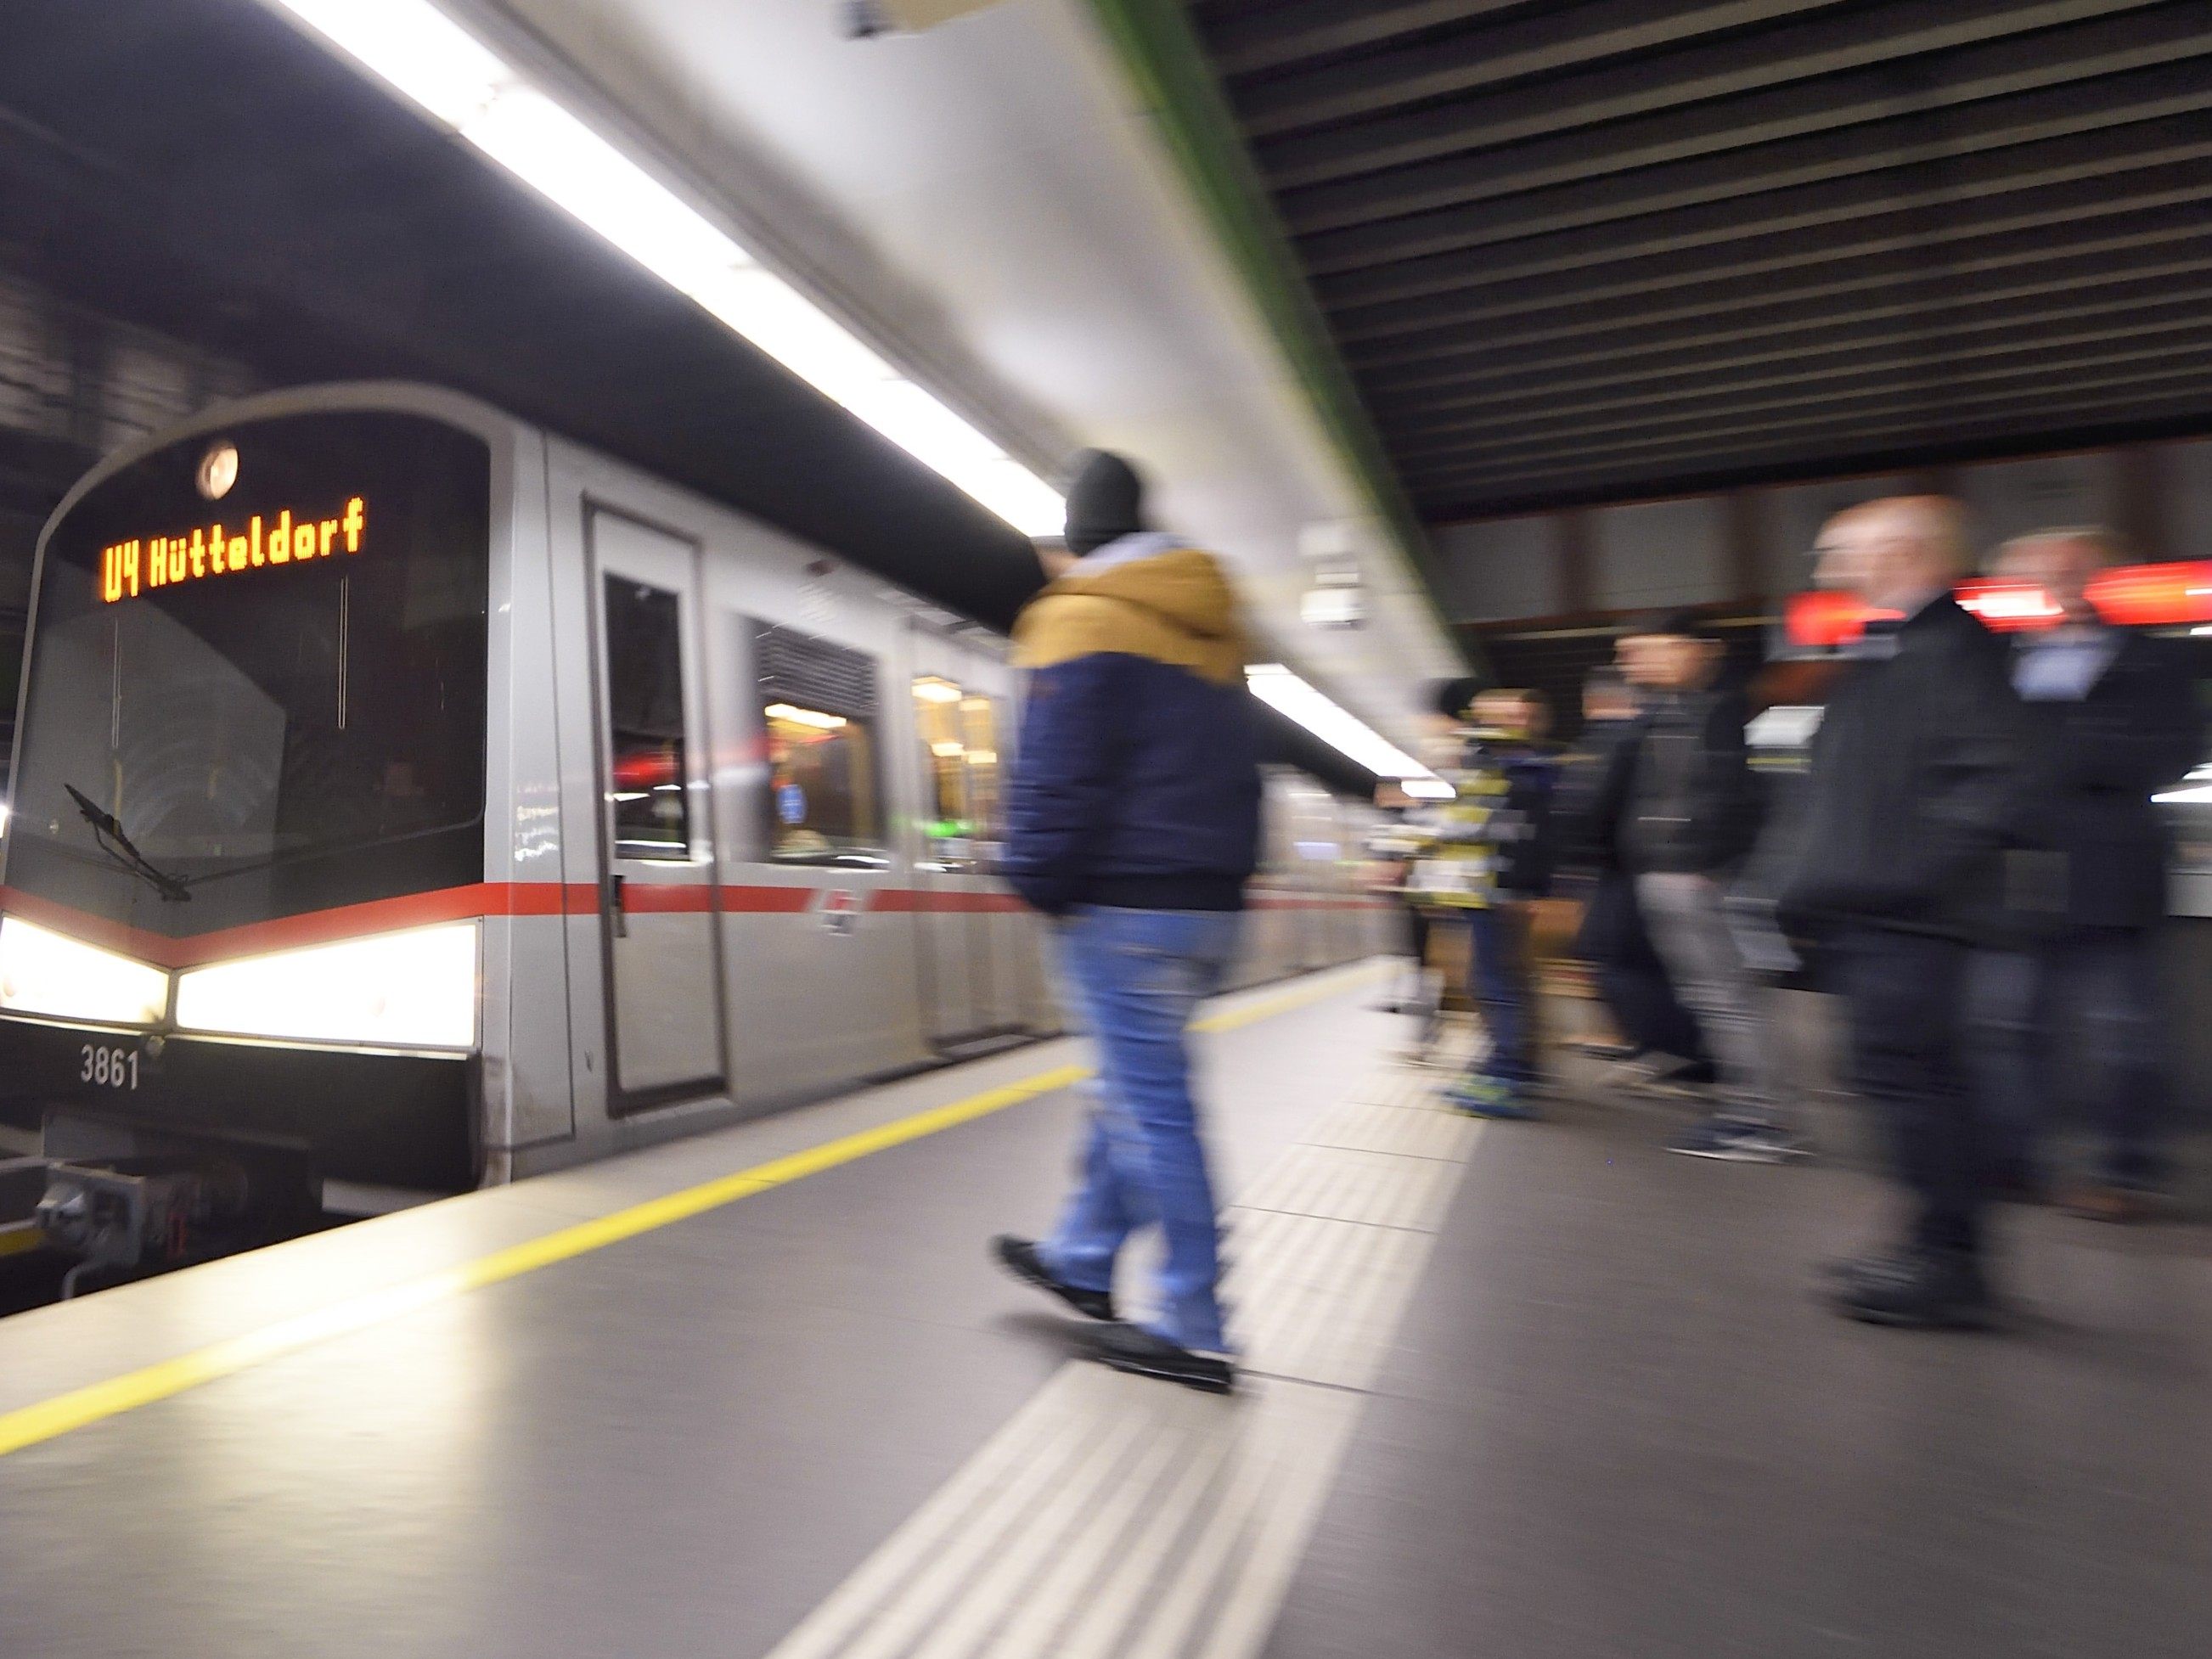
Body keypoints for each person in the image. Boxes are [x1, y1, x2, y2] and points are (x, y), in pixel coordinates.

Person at [989, 449, 1261, 1393]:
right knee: (1130, 1092)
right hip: (1207, 905)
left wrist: (1034, 877)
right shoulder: (1213, 625)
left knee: (1150, 1112)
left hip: (1124, 904)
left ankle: (1196, 1325)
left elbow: (1054, 773)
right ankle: (1082, 1256)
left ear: (1074, 537)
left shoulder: (1077, 615)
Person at [1781, 496, 2029, 1329]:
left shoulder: (1951, 648)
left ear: (1899, 552)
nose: (1826, 570)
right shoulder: (1893, 649)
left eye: (1838, 553)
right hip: (1878, 910)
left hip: (1907, 915)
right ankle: (1929, 1244)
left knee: (1916, 1082)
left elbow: (1997, 781)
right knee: (1902, 1079)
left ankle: (1949, 1266)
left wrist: (1901, 875)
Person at [1968, 528, 2204, 1221]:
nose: (2061, 582)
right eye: (2046, 571)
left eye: (2074, 569)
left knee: (2121, 1032)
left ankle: (2125, 1172)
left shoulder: (2151, 659)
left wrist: (2058, 759)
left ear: (2102, 575)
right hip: (2017, 870)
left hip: (2111, 872)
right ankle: (2013, 1160)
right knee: (2006, 1025)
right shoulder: (2001, 659)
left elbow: (2176, 750)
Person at [1611, 611, 1795, 1161]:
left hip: (1701, 877)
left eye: (1647, 648)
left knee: (1728, 1000)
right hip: (1674, 871)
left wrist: (1710, 860)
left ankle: (1759, 1122)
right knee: (1716, 999)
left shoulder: (1725, 709)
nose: (1632, 662)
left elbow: (1749, 794)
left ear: (1693, 648)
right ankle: (1751, 1112)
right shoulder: (1675, 710)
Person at [1554, 667, 1714, 1087]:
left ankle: (1675, 1054)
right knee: (1644, 961)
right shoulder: (1661, 732)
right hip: (1652, 863)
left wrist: (1578, 853)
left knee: (1617, 959)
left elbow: (1590, 806)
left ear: (1592, 701)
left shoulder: (1612, 739)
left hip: (1621, 868)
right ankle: (1672, 1051)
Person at [1413, 688, 1559, 1117]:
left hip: (1503, 890)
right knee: (1491, 980)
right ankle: (1504, 1066)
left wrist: (1528, 888)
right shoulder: (1496, 766)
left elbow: (1527, 835)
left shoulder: (1528, 770)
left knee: (1498, 983)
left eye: (1504, 714)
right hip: (1484, 889)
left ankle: (1508, 1074)